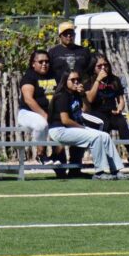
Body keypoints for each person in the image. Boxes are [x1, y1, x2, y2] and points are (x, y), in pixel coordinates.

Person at [46, 66, 128, 179]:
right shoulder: (62, 96)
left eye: (78, 80)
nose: (76, 82)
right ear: (65, 81)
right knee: (96, 137)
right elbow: (65, 120)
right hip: (60, 130)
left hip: (72, 128)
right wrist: (82, 128)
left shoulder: (75, 94)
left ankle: (116, 170)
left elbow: (86, 110)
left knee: (105, 136)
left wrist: (83, 95)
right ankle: (100, 172)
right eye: (73, 80)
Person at [48, 20, 95, 176]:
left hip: (78, 96)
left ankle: (76, 167)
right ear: (60, 36)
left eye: (71, 33)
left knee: (77, 127)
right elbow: (47, 73)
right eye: (66, 33)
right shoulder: (53, 52)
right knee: (58, 131)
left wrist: (84, 88)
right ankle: (60, 168)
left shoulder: (84, 52)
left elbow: (90, 73)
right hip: (60, 96)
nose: (69, 36)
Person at [87, 56, 129, 162]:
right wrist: (98, 80)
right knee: (103, 124)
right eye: (99, 66)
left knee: (122, 123)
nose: (103, 68)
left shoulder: (114, 80)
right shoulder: (89, 80)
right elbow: (90, 99)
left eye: (106, 65)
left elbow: (121, 100)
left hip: (111, 111)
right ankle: (102, 157)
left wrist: (119, 108)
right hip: (95, 112)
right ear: (94, 68)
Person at [14, 50, 55, 163]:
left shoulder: (54, 75)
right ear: (33, 63)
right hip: (28, 113)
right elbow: (28, 99)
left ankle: (59, 156)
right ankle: (41, 154)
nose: (44, 64)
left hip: (51, 112)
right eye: (41, 61)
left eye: (47, 61)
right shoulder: (29, 77)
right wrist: (44, 115)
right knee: (41, 124)